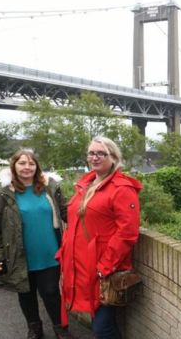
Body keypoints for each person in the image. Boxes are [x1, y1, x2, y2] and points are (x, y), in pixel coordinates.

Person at [0, 149, 72, 338]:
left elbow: (67, 212)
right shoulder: (2, 195)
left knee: (52, 292)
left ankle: (60, 329)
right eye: (22, 163)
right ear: (13, 166)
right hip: (18, 256)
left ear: (37, 167)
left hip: (50, 254)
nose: (27, 167)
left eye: (31, 163)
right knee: (25, 293)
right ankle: (35, 328)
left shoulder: (50, 189)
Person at [57, 136, 142, 339]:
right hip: (82, 266)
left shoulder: (122, 189)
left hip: (104, 270)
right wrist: (64, 258)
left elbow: (127, 233)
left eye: (101, 153)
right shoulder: (85, 185)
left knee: (102, 327)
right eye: (91, 153)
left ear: (113, 157)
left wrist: (104, 267)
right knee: (102, 323)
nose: (95, 157)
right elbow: (73, 226)